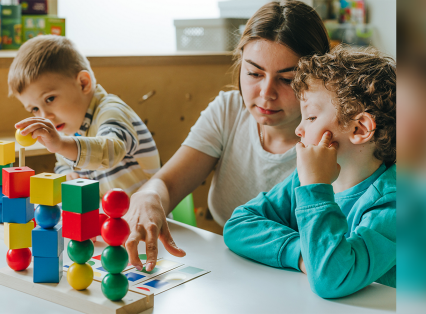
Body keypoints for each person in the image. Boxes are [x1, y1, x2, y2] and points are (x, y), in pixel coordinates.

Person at [124, 0, 331, 272]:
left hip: (308, 278)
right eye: (254, 73)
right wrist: (149, 196)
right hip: (231, 271)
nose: (265, 93)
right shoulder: (229, 110)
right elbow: (167, 185)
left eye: (287, 79)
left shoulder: (333, 140)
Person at [223, 46, 396, 298]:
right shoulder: (304, 181)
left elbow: (330, 279)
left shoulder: (394, 203)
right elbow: (238, 225)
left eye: (311, 117)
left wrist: (316, 186)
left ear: (359, 129)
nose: (299, 130)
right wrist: (303, 255)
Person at [8, 35, 161, 196]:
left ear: (83, 83)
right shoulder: (67, 128)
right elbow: (62, 164)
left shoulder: (111, 111)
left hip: (147, 216)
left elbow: (109, 152)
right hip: (109, 217)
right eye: (34, 109)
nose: (45, 116)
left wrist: (61, 144)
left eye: (50, 99)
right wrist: (67, 174)